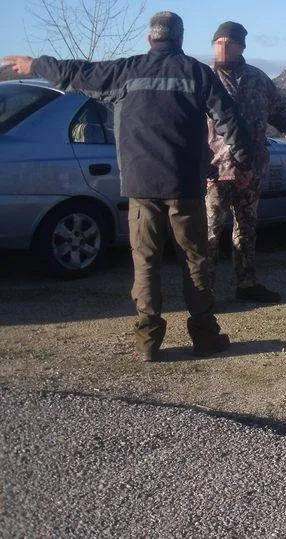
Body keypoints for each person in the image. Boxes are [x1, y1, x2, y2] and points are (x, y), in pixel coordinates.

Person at [2, 12, 252, 361]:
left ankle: (147, 342)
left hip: (140, 186)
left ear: (150, 39)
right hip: (185, 186)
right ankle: (205, 337)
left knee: (146, 262)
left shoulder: (126, 70)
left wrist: (36, 65)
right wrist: (242, 164)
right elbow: (231, 120)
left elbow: (78, 72)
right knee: (194, 260)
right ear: (180, 40)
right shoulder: (197, 73)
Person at [205, 22, 286, 304]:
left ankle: (246, 284)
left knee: (246, 228)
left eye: (228, 43)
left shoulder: (258, 79)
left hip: (251, 169)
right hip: (215, 170)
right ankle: (203, 292)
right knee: (209, 231)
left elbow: (281, 112)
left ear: (241, 46)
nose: (222, 48)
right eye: (218, 43)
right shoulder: (204, 79)